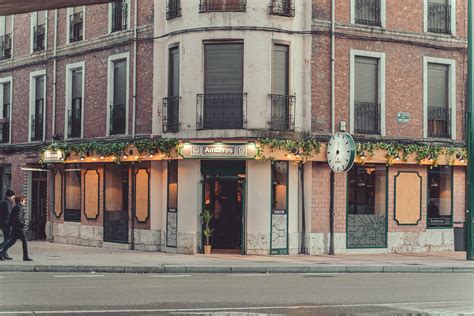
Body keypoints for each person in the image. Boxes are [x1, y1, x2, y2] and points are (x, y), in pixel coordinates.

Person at [0, 196, 32, 261]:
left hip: (15, 228)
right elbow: (18, 219)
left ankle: (1, 254)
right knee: (24, 241)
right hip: (19, 228)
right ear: (20, 201)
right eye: (24, 200)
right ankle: (25, 256)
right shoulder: (19, 208)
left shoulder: (15, 207)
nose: (25, 202)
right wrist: (23, 224)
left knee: (11, 241)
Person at [0, 190, 15, 260]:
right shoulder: (7, 203)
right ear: (10, 196)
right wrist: (11, 222)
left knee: (7, 238)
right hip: (6, 223)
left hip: (4, 223)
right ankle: (2, 251)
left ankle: (4, 253)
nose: (14, 197)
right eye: (13, 196)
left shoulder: (4, 201)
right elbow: (9, 214)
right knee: (8, 239)